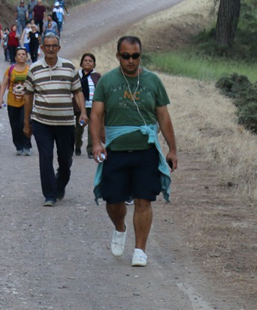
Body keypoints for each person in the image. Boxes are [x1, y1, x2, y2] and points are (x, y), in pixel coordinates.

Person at [90, 36, 178, 267]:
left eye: (135, 56)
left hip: (145, 151)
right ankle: (120, 228)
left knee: (143, 200)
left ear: (140, 55)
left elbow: (163, 116)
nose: (131, 61)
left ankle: (140, 249)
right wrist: (97, 143)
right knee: (113, 200)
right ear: (118, 55)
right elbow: (97, 115)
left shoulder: (153, 81)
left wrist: (172, 149)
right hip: (116, 151)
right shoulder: (107, 82)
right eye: (126, 56)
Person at [22, 34, 86, 207]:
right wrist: (27, 122)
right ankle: (49, 194)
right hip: (41, 121)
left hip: (65, 122)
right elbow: (28, 96)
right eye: (47, 46)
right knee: (45, 156)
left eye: (54, 46)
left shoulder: (69, 67)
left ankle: (61, 182)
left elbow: (78, 91)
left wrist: (83, 113)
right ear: (42, 48)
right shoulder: (34, 69)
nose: (50, 49)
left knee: (65, 159)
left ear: (59, 48)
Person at [0, 47, 32, 156]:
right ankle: (18, 146)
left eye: (23, 54)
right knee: (14, 125)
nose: (21, 56)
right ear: (15, 57)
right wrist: (0, 98)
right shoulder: (10, 70)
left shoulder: (30, 70)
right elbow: (4, 84)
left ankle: (27, 145)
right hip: (12, 102)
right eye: (19, 54)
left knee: (25, 123)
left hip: (26, 102)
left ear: (27, 57)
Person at [75, 53, 101, 158]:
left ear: (94, 64)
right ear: (81, 63)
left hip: (93, 106)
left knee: (92, 129)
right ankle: (77, 145)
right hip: (80, 107)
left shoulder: (97, 76)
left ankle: (90, 149)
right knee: (78, 128)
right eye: (85, 60)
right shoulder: (76, 76)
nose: (88, 62)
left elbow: (100, 91)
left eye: (90, 61)